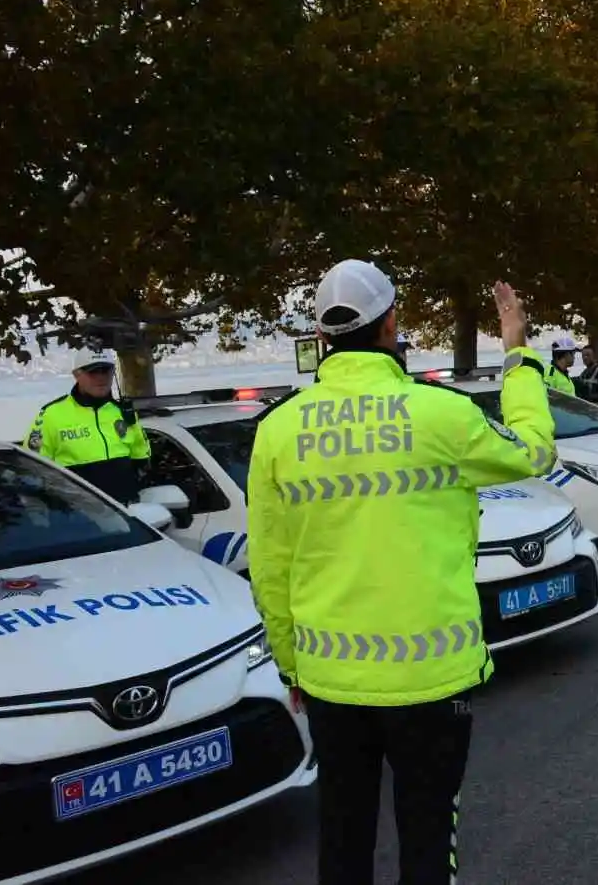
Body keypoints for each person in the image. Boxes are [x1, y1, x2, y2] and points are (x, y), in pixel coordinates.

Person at [246, 260, 556, 885]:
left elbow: (270, 565)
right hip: (430, 679)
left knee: (342, 834)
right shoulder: (440, 415)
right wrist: (518, 355)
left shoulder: (277, 430)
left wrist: (290, 665)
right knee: (425, 836)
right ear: (392, 323)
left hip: (331, 677)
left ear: (324, 335)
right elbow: (534, 452)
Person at [23, 348, 150, 502]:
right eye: (93, 372)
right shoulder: (51, 415)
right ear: (77, 374)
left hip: (124, 511)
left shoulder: (123, 412)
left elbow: (141, 457)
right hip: (77, 514)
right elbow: (31, 467)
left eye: (106, 371)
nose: (101, 378)